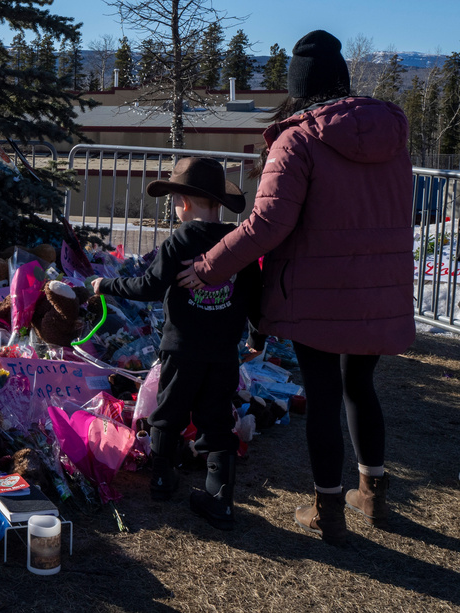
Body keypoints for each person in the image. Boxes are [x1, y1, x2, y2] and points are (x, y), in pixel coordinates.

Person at [175, 30, 415, 545]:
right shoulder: (393, 135)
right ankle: (372, 492)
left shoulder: (298, 137)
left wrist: (210, 266)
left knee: (323, 392)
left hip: (318, 290)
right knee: (360, 386)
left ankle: (329, 509)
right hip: (379, 286)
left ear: (298, 85)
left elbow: (266, 225)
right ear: (343, 77)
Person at [92, 156, 263, 531]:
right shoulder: (239, 247)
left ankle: (161, 479)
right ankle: (220, 498)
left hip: (180, 349)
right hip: (222, 353)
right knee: (216, 419)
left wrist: (106, 285)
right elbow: (256, 299)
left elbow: (148, 287)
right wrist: (258, 336)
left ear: (183, 202)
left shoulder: (179, 241)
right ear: (217, 203)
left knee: (168, 411)